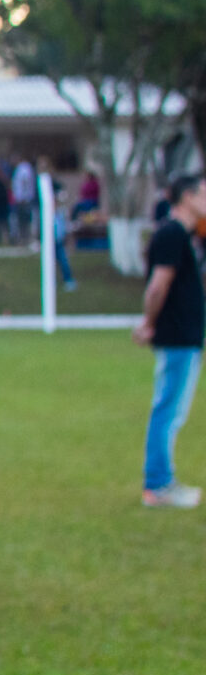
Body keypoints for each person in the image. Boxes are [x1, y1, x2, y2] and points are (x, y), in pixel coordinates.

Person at [133, 175, 206, 508]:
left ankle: (162, 481)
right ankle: (159, 485)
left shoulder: (189, 236)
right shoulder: (171, 234)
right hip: (177, 335)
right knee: (168, 410)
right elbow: (158, 286)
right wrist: (148, 323)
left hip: (188, 334)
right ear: (187, 197)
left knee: (172, 409)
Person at [10, 157, 37, 247]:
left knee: (24, 220)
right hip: (21, 199)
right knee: (21, 220)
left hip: (23, 200)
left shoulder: (23, 168)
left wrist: (24, 196)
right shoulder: (22, 168)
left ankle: (26, 239)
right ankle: (23, 239)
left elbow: (25, 182)